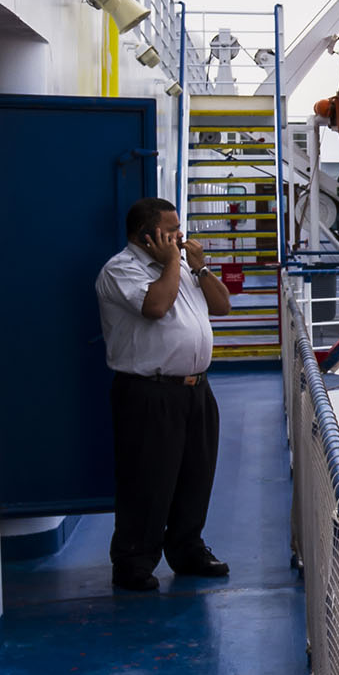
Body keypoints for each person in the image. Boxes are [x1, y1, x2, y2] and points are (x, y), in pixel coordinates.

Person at [95, 198, 234, 591]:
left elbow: (222, 306)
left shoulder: (184, 269)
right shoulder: (121, 269)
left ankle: (187, 548)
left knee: (196, 474)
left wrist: (200, 266)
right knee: (148, 478)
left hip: (196, 390)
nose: (179, 236)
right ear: (146, 235)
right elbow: (155, 306)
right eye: (170, 231)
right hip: (149, 391)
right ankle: (133, 561)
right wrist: (173, 262)